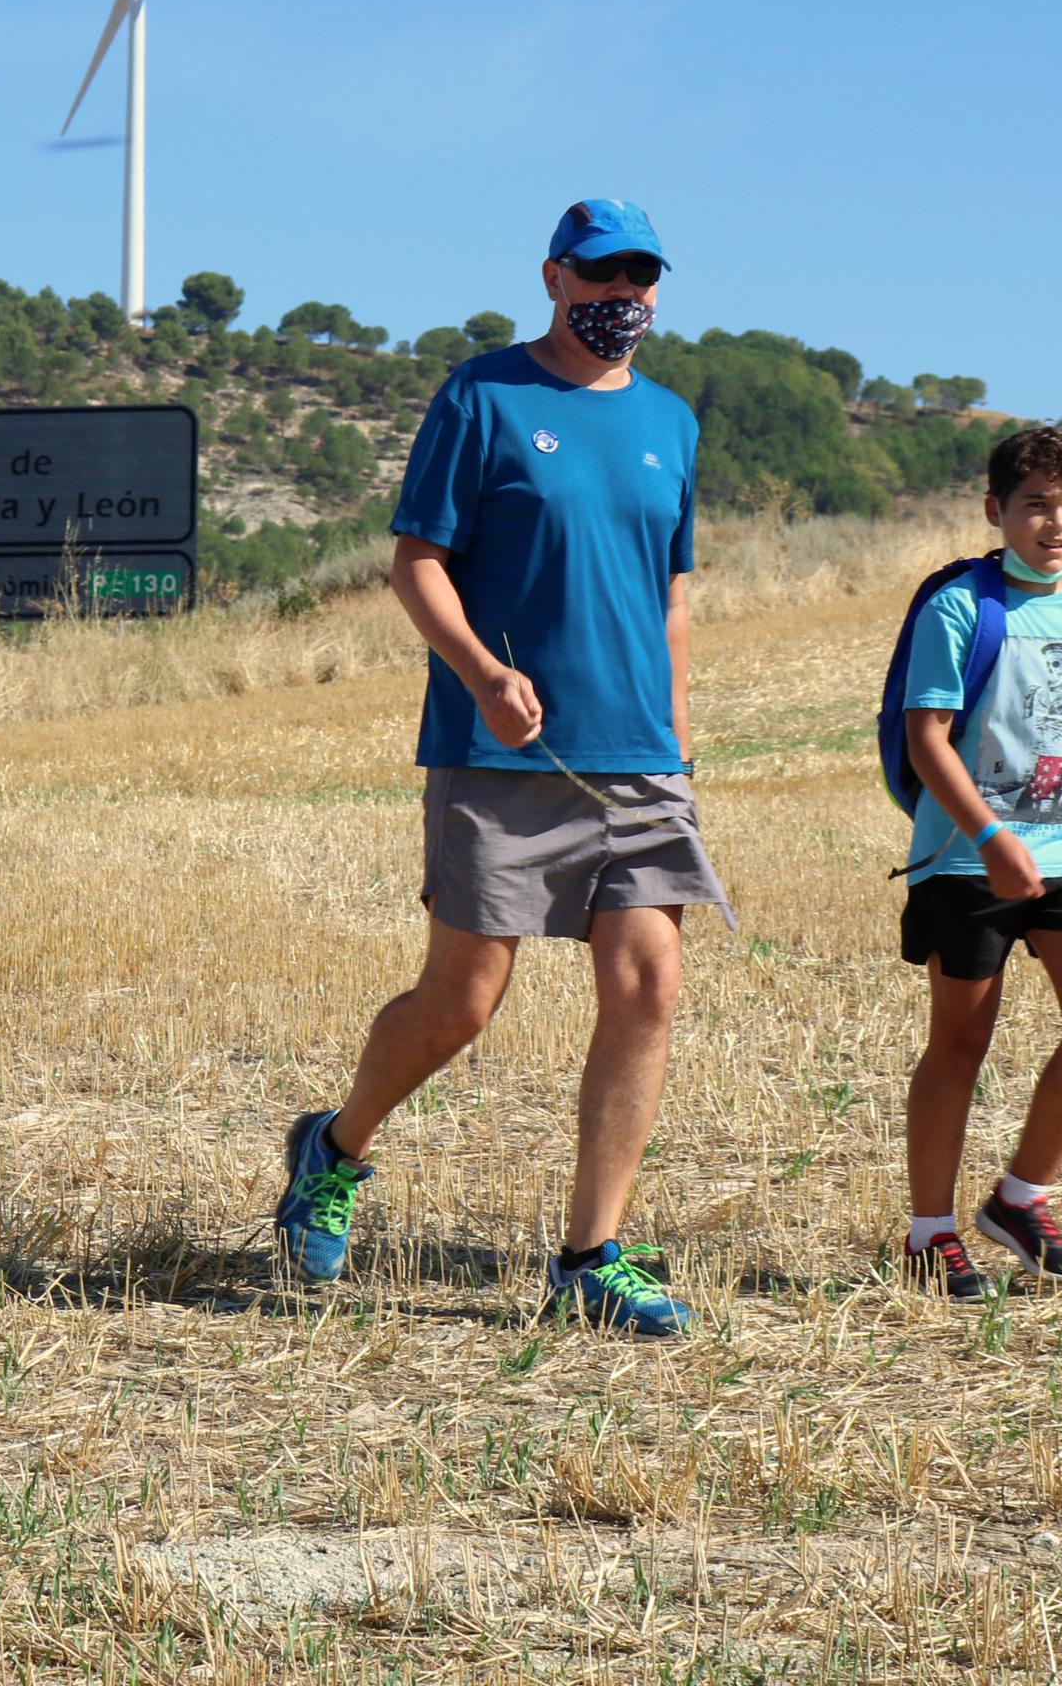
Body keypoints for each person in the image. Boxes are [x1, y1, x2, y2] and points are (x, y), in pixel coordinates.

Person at [273, 198, 729, 1337]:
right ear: (554, 278)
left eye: (642, 275)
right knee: (462, 1002)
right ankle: (333, 1147)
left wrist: (675, 730)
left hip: (637, 760)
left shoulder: (671, 422)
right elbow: (416, 562)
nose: (624, 295)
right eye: (601, 273)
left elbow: (669, 592)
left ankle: (589, 1254)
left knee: (649, 985)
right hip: (499, 748)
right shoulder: (482, 394)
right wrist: (482, 673)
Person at [893, 425, 1062, 1299]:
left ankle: (1020, 1198)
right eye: (1035, 504)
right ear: (997, 511)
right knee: (960, 1041)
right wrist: (991, 839)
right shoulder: (961, 606)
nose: (1056, 522)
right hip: (966, 860)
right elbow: (926, 740)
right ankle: (931, 1233)